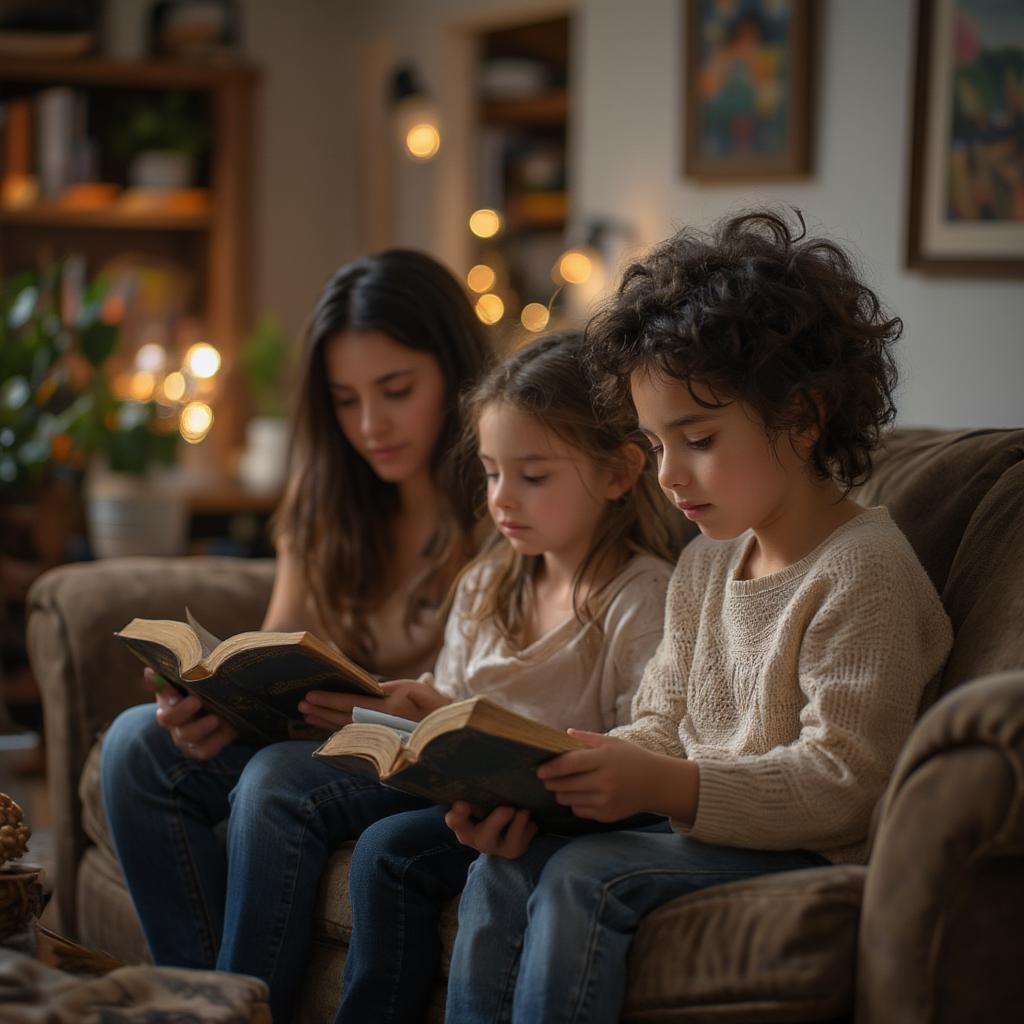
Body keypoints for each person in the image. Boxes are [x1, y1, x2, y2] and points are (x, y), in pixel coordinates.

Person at [443, 210, 955, 1024]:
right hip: (706, 832)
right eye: (654, 443)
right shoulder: (707, 560)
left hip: (810, 852)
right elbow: (662, 720)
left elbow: (846, 784)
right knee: (504, 866)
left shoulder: (862, 571)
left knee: (584, 876)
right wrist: (565, 773)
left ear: (803, 415)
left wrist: (671, 783)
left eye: (699, 439)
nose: (670, 475)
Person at [100, 249, 491, 1022]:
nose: (370, 425)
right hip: (319, 745)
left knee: (276, 775)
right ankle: (206, 1002)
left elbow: (510, 693)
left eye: (397, 391)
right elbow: (276, 648)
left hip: (419, 756)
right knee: (134, 745)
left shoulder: (509, 500)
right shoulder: (328, 504)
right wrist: (215, 704)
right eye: (345, 400)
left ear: (456, 375)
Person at [334, 332, 680, 1024]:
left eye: (533, 475)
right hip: (484, 802)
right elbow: (461, 703)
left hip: (584, 813)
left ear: (617, 474)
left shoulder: (639, 597)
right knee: (375, 845)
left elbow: (647, 745)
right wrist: (424, 707)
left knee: (388, 851)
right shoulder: (489, 583)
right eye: (492, 473)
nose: (502, 498)